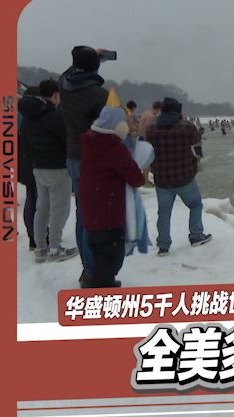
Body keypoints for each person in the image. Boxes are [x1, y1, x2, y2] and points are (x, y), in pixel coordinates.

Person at [58, 46, 109, 283]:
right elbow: (107, 130)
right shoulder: (99, 94)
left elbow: (65, 75)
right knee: (94, 217)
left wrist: (83, 61)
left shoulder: (64, 87)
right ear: (96, 67)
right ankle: (92, 271)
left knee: (83, 214)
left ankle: (87, 266)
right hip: (93, 160)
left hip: (73, 157)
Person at [79, 107, 145, 288]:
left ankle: (92, 276)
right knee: (110, 251)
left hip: (90, 203)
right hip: (108, 208)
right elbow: (136, 178)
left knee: (95, 244)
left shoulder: (89, 140)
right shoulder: (114, 147)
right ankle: (103, 287)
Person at [146, 97, 212, 256]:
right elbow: (198, 145)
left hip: (162, 179)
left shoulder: (152, 129)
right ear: (178, 111)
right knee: (195, 205)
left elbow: (148, 150)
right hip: (185, 177)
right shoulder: (187, 127)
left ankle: (163, 246)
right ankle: (196, 235)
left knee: (164, 212)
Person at [19, 80, 76, 262]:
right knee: (58, 208)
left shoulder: (28, 117)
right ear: (55, 95)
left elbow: (25, 140)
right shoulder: (54, 116)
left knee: (41, 208)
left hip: (37, 167)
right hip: (57, 167)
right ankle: (54, 248)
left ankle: (40, 248)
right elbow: (66, 140)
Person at [18, 86, 41, 251]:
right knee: (38, 202)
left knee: (31, 198)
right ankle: (39, 237)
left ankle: (33, 237)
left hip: (22, 162)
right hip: (35, 162)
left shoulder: (18, 116)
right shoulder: (34, 117)